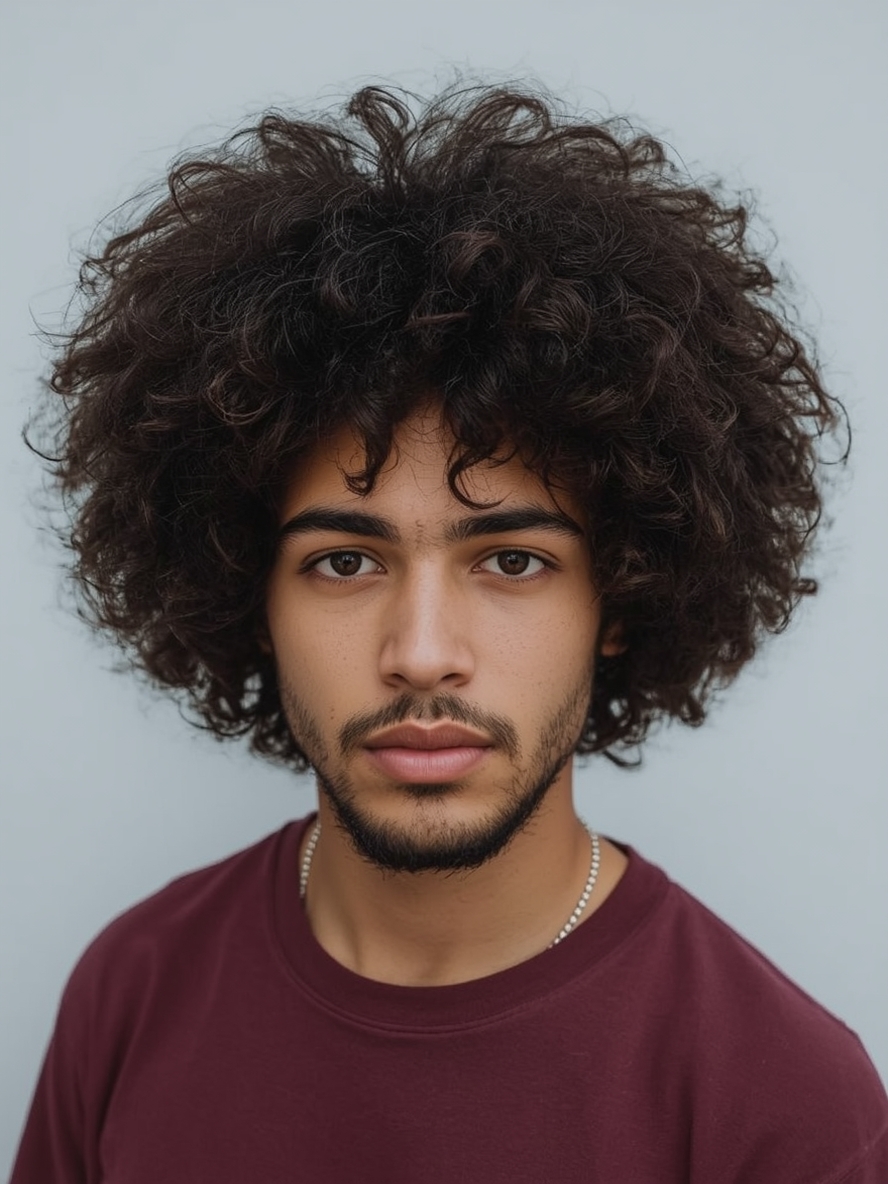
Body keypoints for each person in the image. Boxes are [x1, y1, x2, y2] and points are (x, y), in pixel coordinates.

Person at [11, 83, 888, 1182]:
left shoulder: (783, 1103)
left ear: (618, 597)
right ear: (246, 593)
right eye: (345, 560)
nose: (422, 651)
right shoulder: (133, 990)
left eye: (511, 560)